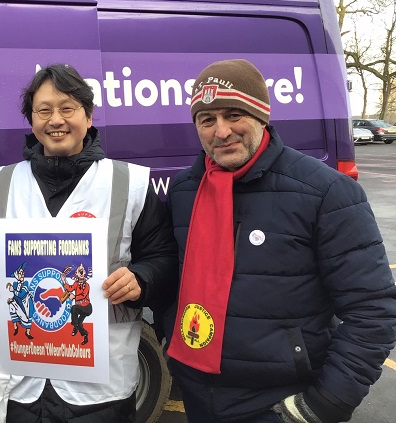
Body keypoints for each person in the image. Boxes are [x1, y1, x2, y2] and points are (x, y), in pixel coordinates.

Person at [162, 59, 396, 423]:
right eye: (207, 120)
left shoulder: (326, 191)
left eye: (234, 114)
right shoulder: (184, 190)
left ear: (261, 116)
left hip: (282, 402)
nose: (221, 131)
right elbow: (171, 278)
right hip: (198, 392)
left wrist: (325, 404)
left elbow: (373, 311)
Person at [0, 63, 177, 422]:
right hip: (19, 382)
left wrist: (141, 279)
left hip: (100, 388)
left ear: (89, 115)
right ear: (31, 120)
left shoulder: (130, 183)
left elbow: (163, 257)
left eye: (67, 108)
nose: (56, 120)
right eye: (44, 110)